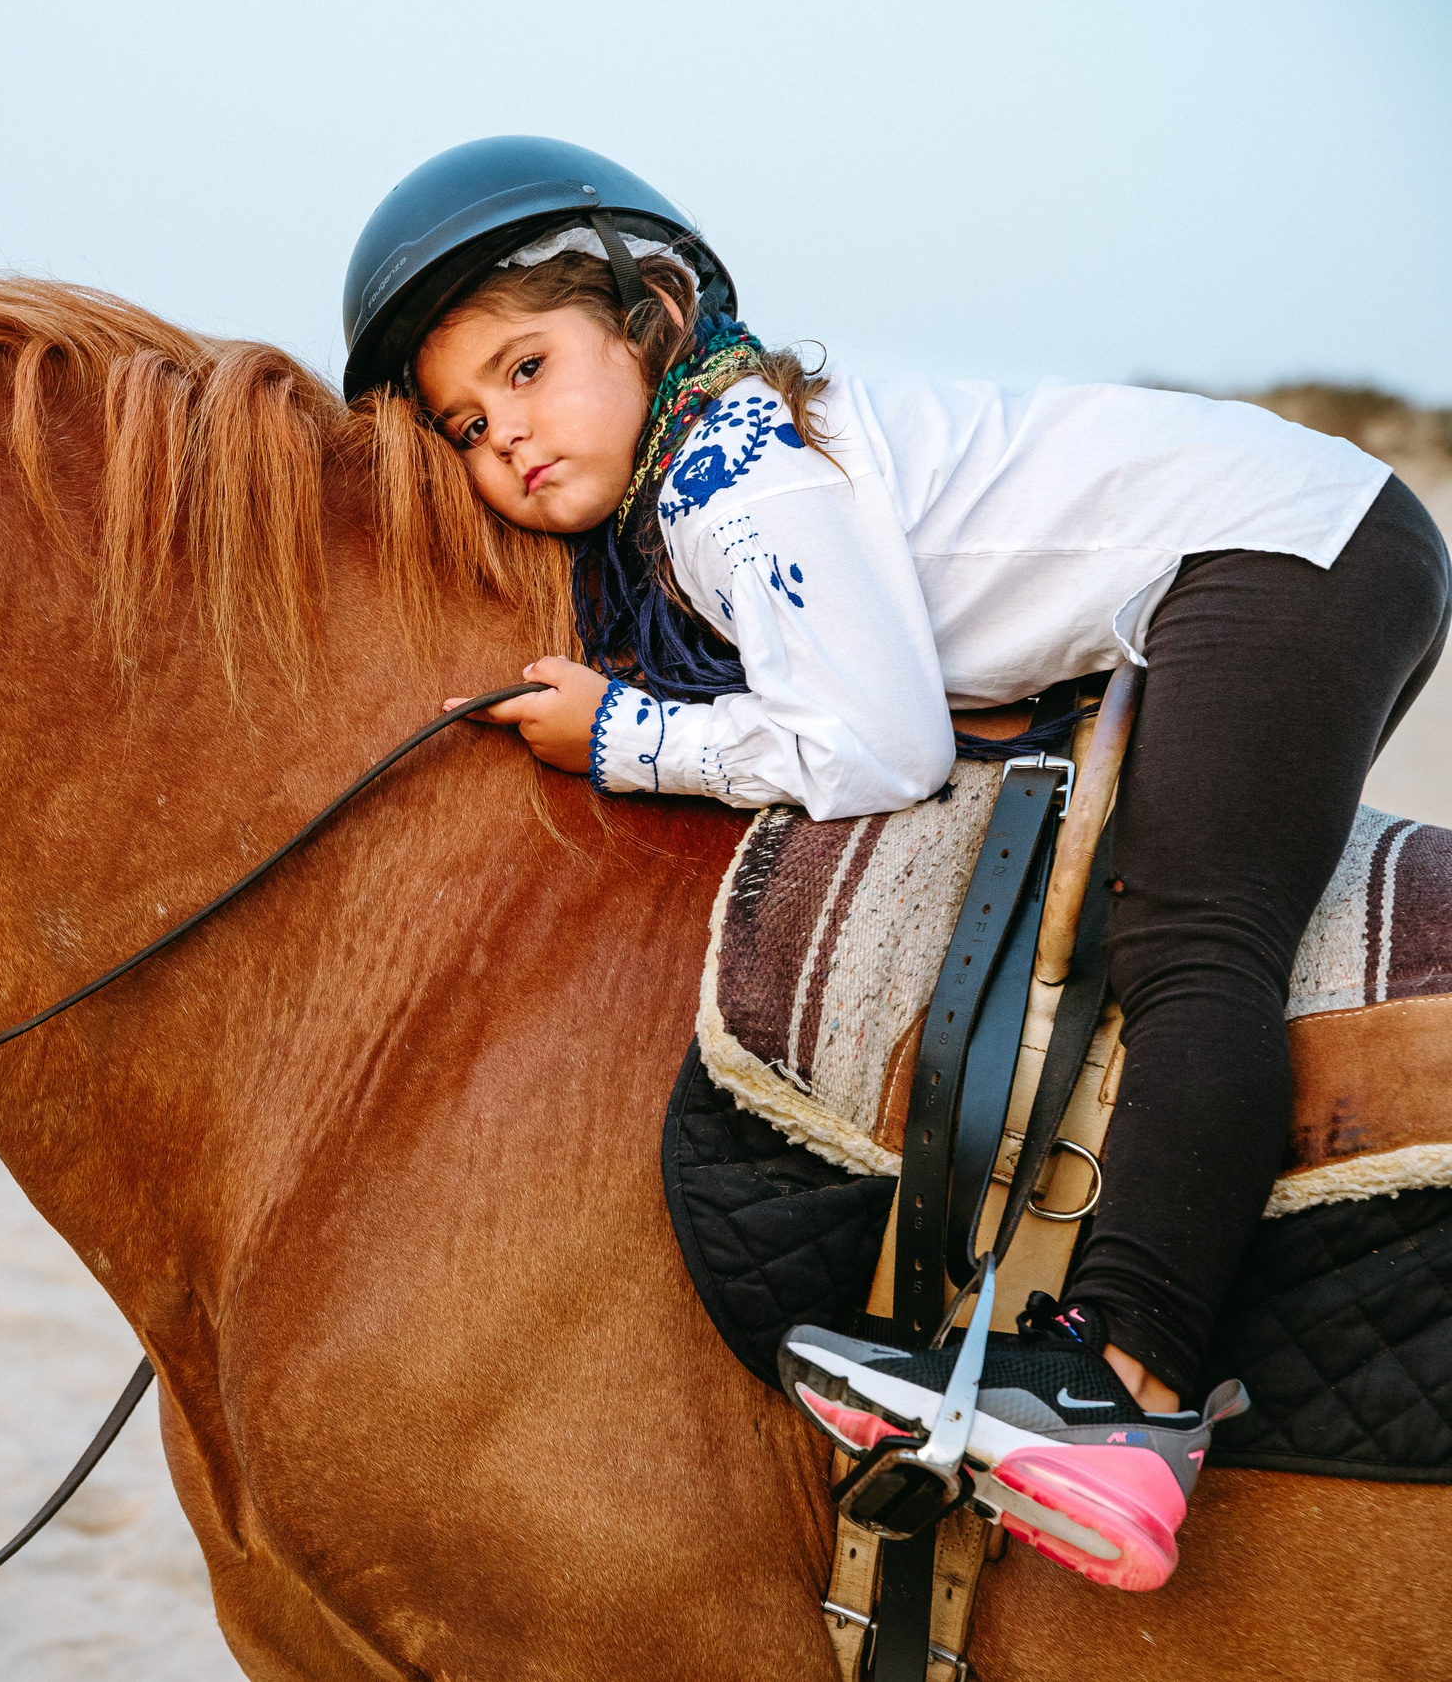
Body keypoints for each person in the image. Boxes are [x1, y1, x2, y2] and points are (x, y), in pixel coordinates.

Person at [342, 136, 1449, 1591]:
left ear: (651, 313)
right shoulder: (723, 452)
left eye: (529, 369)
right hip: (1280, 542)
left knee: (1195, 941)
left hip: (1284, 549)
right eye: (470, 427)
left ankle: (1126, 1396)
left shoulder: (729, 483)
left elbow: (873, 751)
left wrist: (629, 736)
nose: (509, 439)